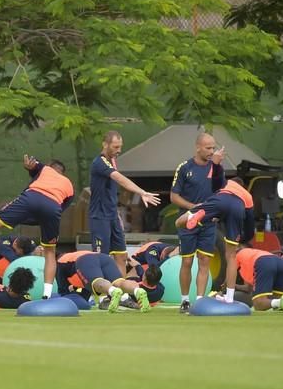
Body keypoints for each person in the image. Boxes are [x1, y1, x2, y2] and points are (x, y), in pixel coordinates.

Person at [0, 154, 74, 300]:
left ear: (51, 167)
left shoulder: (45, 169)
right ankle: (47, 294)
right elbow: (60, 209)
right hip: (53, 208)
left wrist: (28, 166)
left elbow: (33, 166)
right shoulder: (70, 186)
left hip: (31, 198)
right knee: (49, 252)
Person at [89, 131, 161, 277]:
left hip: (112, 217)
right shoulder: (100, 162)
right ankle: (102, 294)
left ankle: (121, 293)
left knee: (121, 256)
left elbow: (109, 193)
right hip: (99, 217)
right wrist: (142, 192)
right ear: (105, 144)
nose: (119, 150)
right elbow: (120, 179)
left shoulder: (113, 161)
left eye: (120, 147)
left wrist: (116, 215)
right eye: (115, 147)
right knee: (101, 258)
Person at [175, 177, 253, 308]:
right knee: (231, 256)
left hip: (216, 204)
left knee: (180, 224)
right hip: (237, 208)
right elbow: (250, 224)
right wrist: (243, 238)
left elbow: (213, 193)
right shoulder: (247, 196)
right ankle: (229, 297)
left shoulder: (225, 183)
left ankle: (196, 215)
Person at [170, 132, 226, 313]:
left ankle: (200, 301)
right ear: (198, 147)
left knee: (204, 261)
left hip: (209, 223)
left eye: (213, 148)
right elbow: (174, 196)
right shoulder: (185, 167)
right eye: (208, 148)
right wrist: (194, 208)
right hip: (188, 222)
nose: (211, 151)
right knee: (187, 262)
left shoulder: (217, 168)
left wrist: (216, 211)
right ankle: (185, 301)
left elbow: (222, 193)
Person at [56, 250, 151, 313]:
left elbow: (63, 291)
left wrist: (75, 292)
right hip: (104, 258)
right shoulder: (71, 256)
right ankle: (137, 291)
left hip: (85, 260)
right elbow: (84, 289)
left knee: (97, 281)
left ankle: (112, 291)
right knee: (119, 282)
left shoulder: (59, 262)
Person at [234, 246, 283, 313]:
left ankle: (282, 302)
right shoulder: (251, 254)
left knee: (258, 304)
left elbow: (230, 275)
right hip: (281, 263)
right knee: (276, 302)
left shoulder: (236, 256)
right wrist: (236, 286)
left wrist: (224, 288)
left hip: (265, 262)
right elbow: (249, 288)